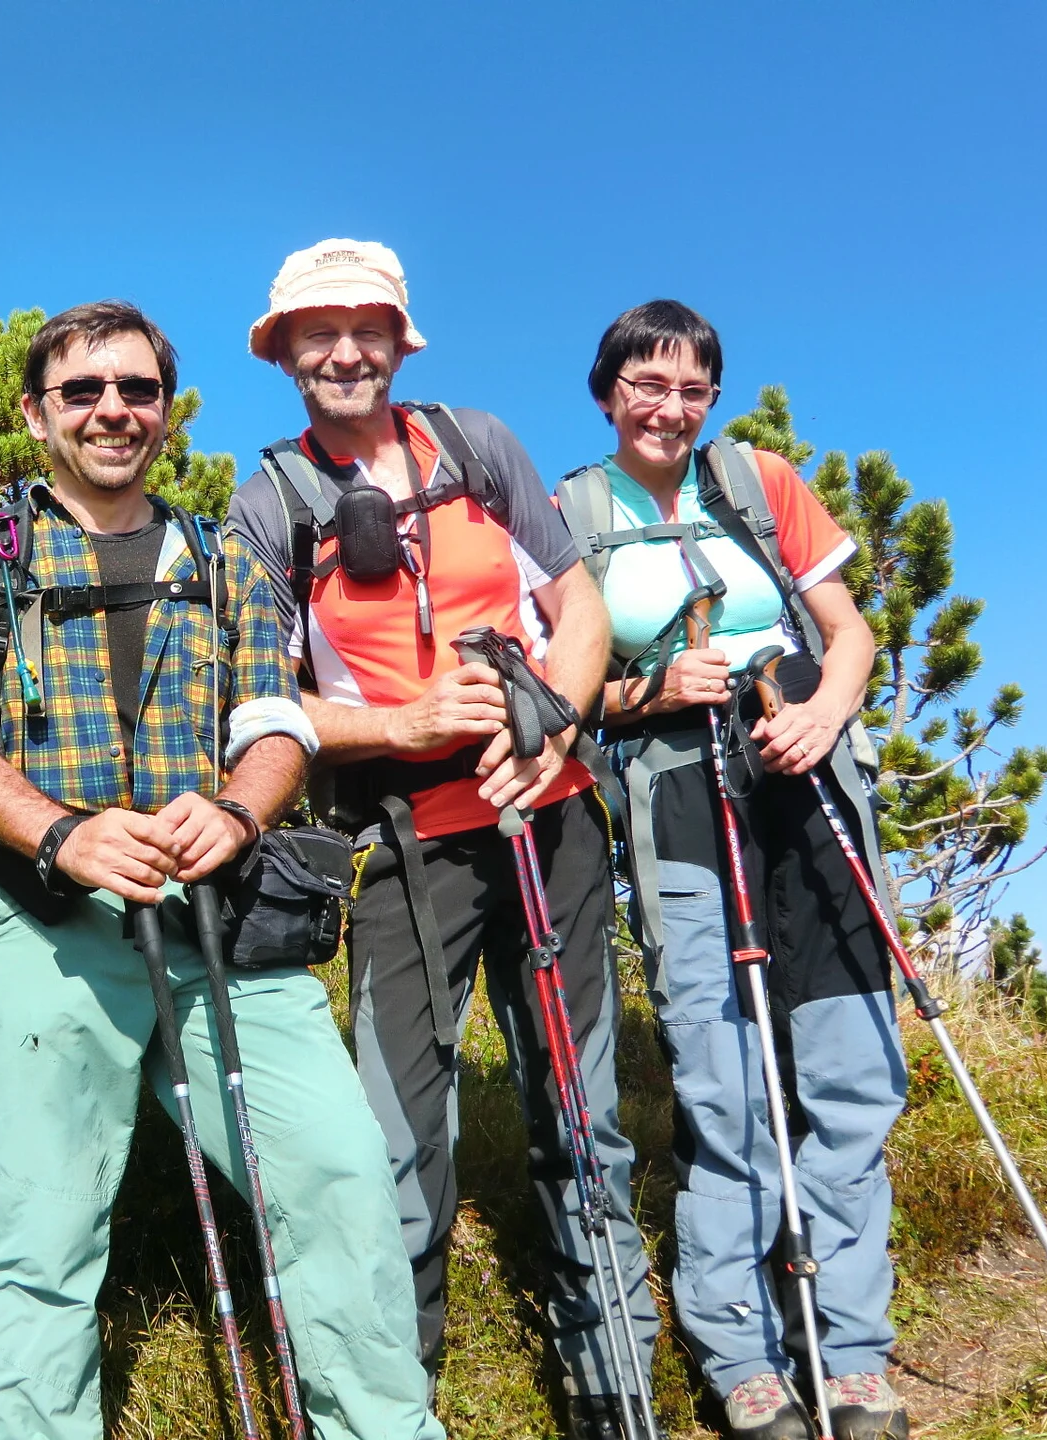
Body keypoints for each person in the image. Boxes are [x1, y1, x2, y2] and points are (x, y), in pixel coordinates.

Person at [0, 299, 443, 1440]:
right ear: (36, 415)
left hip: (220, 920)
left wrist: (239, 815)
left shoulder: (222, 559)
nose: (113, 411)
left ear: (165, 409)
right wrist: (62, 834)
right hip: (40, 914)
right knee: (39, 1222)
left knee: (342, 1182)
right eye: (84, 391)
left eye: (138, 390)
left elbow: (278, 730)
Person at [227, 240, 659, 1439]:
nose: (345, 349)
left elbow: (575, 604)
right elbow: (260, 703)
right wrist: (402, 722)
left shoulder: (478, 447)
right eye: (318, 331)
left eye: (368, 326)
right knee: (395, 1137)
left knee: (584, 1109)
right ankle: (393, 1400)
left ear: (401, 339)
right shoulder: (269, 504)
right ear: (283, 353)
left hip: (551, 813)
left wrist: (556, 725)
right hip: (396, 839)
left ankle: (612, 1382)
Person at [556, 299, 907, 1440]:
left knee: (854, 1064)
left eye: (692, 386)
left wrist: (826, 717)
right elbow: (564, 699)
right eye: (646, 384)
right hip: (676, 791)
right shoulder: (568, 516)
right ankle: (743, 1353)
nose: (670, 406)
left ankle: (848, 1353)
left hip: (809, 774)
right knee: (724, 1076)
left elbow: (846, 629)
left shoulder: (757, 482)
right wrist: (646, 691)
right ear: (608, 390)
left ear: (712, 397)